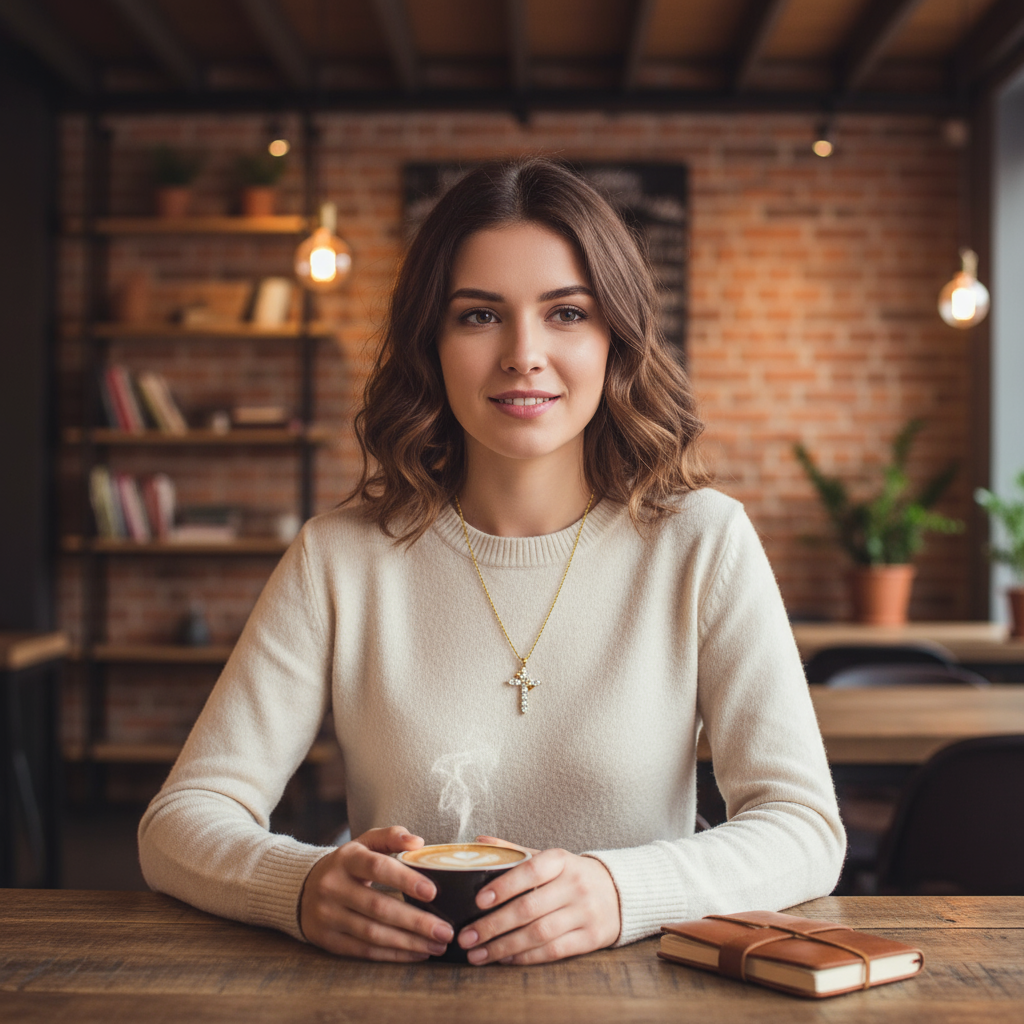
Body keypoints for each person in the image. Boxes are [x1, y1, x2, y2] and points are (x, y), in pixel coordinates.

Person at [139, 158, 844, 966]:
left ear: (615, 336)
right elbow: (180, 820)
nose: (523, 354)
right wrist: (297, 886)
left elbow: (804, 829)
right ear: (431, 342)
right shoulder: (338, 558)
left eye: (566, 314)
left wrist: (620, 892)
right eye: (479, 316)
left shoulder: (703, 542)